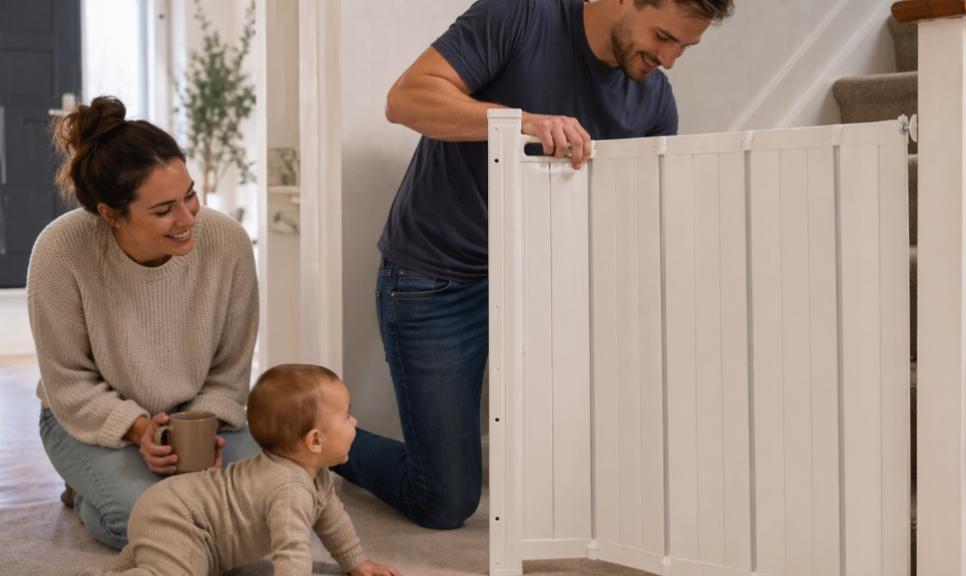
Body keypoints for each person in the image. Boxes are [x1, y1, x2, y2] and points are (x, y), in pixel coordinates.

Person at [333, 0, 734, 529]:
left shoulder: (654, 101)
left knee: (571, 476)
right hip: (435, 281)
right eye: (663, 36)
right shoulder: (521, 15)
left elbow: (634, 220)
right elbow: (404, 100)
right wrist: (521, 123)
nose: (670, 58)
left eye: (685, 46)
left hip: (542, 284)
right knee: (445, 500)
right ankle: (322, 441)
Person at [28, 95, 261, 549]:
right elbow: (68, 383)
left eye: (189, 195)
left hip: (196, 420)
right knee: (150, 523)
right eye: (162, 210)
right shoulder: (61, 252)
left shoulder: (227, 243)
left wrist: (202, 426)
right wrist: (138, 430)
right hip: (87, 422)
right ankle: (87, 494)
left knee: (263, 506)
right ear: (110, 215)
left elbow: (230, 370)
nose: (187, 217)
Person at [80, 364, 400, 576]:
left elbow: (332, 520)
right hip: (180, 516)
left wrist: (358, 563)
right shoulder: (289, 489)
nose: (354, 422)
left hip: (173, 505)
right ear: (315, 441)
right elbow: (291, 553)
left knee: (164, 554)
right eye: (347, 416)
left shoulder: (315, 475)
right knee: (176, 570)